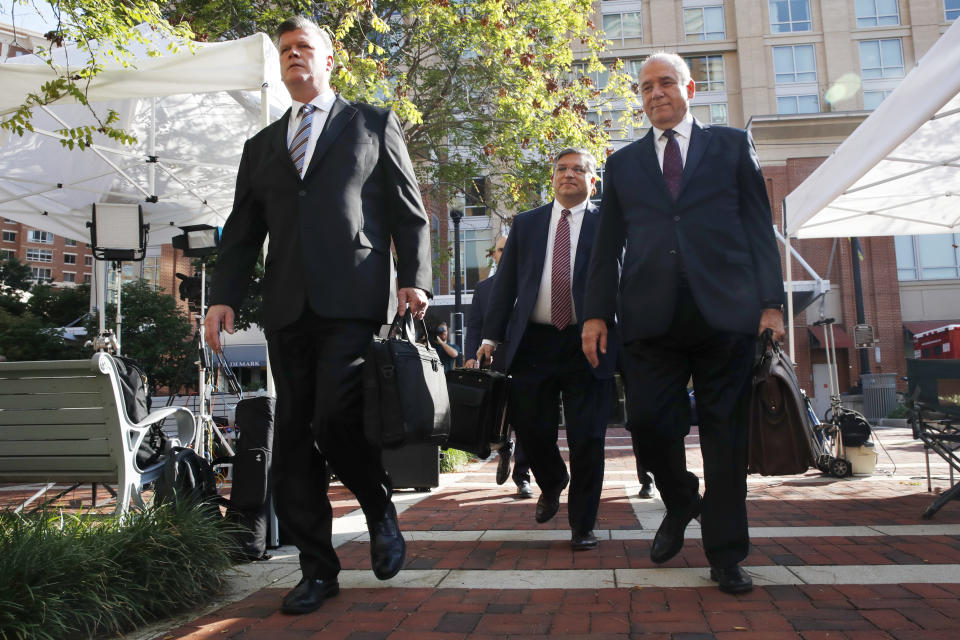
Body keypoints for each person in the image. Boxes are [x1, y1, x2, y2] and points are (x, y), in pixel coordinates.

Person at [204, 16, 432, 615]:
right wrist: (222, 294)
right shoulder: (261, 148)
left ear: (329, 60)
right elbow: (243, 232)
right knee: (293, 444)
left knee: (336, 418)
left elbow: (410, 214)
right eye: (285, 50)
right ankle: (317, 569)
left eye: (304, 47)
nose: (293, 57)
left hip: (355, 300)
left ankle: (380, 508)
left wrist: (413, 279)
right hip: (286, 307)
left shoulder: (373, 123)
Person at [582, 52, 785, 594]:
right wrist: (596, 314)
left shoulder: (729, 145)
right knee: (648, 422)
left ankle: (725, 555)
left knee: (725, 441)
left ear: (690, 88)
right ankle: (680, 501)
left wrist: (772, 303)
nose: (655, 94)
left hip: (727, 314)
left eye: (665, 83)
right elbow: (606, 248)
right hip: (650, 319)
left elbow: (758, 225)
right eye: (645, 87)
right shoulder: (621, 163)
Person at [478, 148, 618, 551]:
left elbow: (618, 277)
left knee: (587, 437)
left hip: (587, 343)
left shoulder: (607, 224)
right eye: (561, 168)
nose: (568, 175)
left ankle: (582, 525)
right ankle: (553, 479)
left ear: (594, 180)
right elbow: (505, 285)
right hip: (534, 343)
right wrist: (490, 337)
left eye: (579, 169)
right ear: (552, 177)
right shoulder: (527, 223)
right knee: (532, 428)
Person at [464, 235, 533, 498]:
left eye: (511, 248)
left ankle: (522, 476)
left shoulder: (531, 285)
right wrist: (471, 354)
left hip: (527, 360)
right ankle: (504, 447)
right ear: (494, 254)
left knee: (524, 418)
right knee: (495, 419)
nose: (506, 253)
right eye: (502, 249)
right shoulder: (483, 288)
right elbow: (475, 326)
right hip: (494, 362)